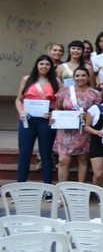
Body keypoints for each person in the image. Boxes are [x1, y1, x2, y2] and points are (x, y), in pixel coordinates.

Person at [15, 55, 62, 199]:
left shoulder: (56, 81)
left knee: (46, 154)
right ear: (37, 65)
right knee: (24, 154)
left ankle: (48, 188)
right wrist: (21, 112)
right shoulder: (27, 79)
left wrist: (53, 112)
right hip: (28, 120)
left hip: (45, 121)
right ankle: (20, 188)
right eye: (41, 64)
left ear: (51, 66)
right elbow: (19, 99)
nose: (44, 67)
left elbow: (61, 103)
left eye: (47, 64)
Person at [53, 66, 100, 183]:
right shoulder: (65, 91)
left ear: (88, 77)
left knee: (83, 160)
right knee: (63, 160)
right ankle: (61, 189)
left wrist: (87, 116)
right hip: (66, 130)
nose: (80, 78)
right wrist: (55, 117)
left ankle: (80, 188)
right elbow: (58, 108)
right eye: (77, 76)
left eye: (83, 75)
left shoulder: (95, 94)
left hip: (83, 130)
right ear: (73, 77)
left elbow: (98, 114)